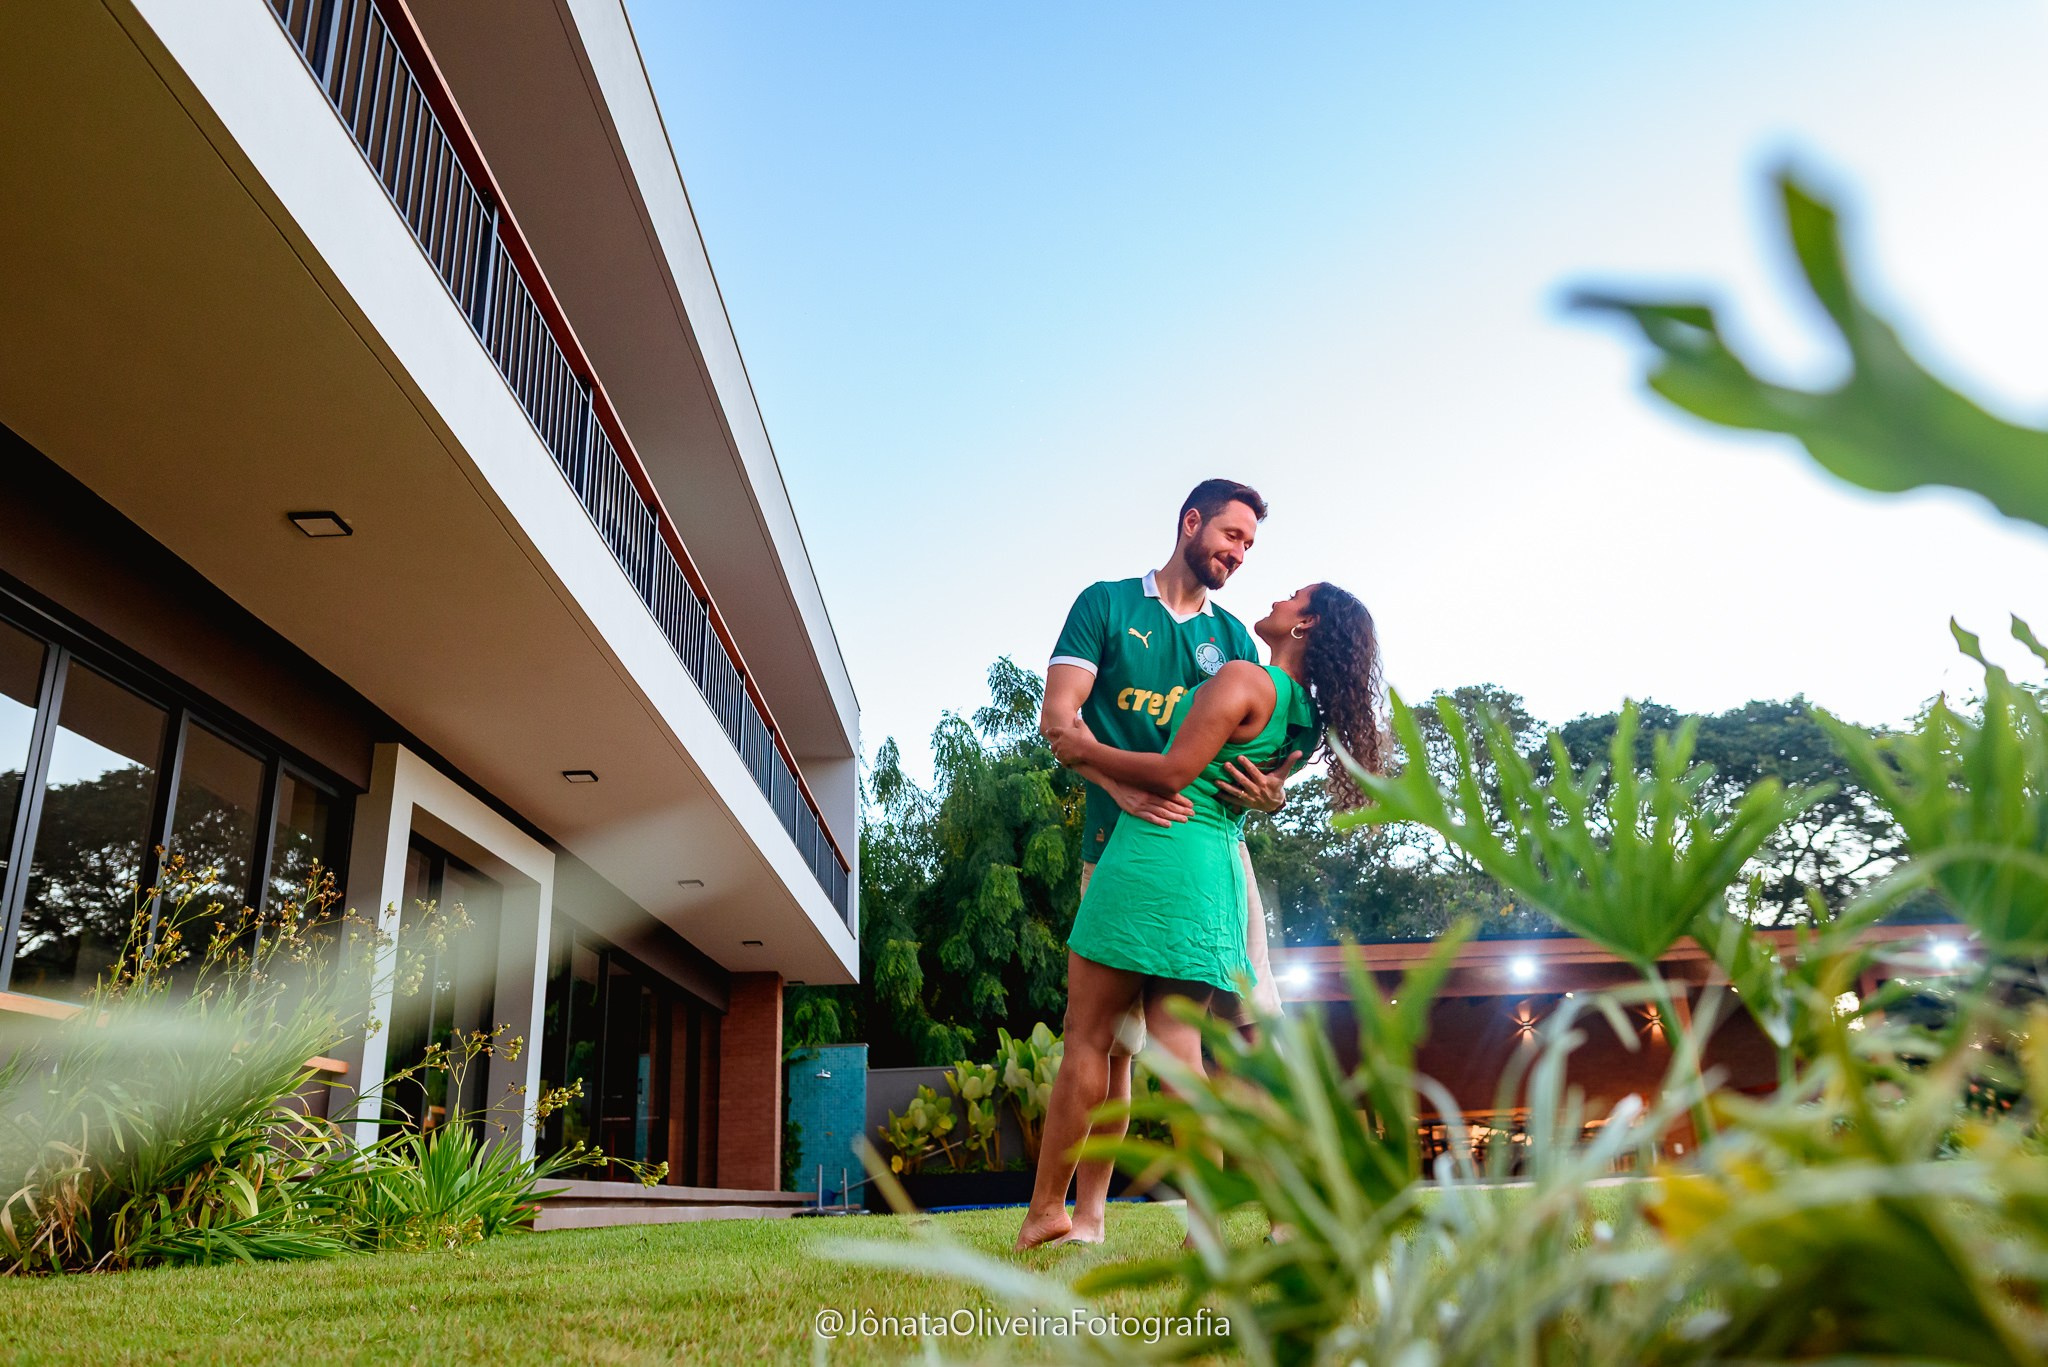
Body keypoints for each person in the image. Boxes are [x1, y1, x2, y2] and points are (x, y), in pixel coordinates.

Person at [1015, 582, 1386, 1250]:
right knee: (1182, 1049)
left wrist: (1085, 751)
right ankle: (1206, 1228)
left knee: (1091, 1035)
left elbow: (1173, 769)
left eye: (1293, 595)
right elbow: (1249, 788)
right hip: (1215, 870)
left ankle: (1048, 1209)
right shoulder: (1303, 717)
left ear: (1306, 625)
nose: (1276, 593)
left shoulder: (1244, 675)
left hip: (1158, 852)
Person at [1031, 480, 1296, 1246]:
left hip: (1214, 857)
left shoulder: (1237, 646)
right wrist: (1126, 787)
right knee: (1111, 1044)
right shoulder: (1107, 605)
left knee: (1249, 1026)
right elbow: (1060, 720)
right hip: (1118, 850)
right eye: (1232, 535)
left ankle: (1285, 1216)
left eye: (1249, 545)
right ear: (1190, 523)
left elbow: (1266, 753)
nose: (1239, 554)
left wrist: (1272, 792)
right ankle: (1087, 1218)